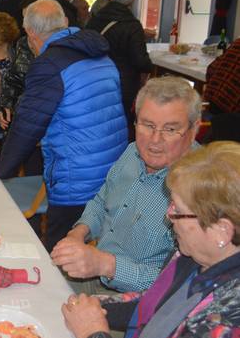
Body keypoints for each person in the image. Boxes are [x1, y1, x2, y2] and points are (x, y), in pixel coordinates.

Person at [0, 0, 128, 251]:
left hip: (76, 178)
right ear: (64, 23)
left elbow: (26, 127)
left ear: (30, 33)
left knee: (61, 254)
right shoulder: (101, 55)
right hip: (112, 173)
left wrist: (0, 169)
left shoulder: (49, 65)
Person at [62, 141, 240, 338]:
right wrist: (95, 307)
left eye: (179, 211)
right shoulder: (188, 256)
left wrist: (93, 332)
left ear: (222, 231)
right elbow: (153, 300)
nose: (168, 215)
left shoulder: (228, 315)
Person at [52, 76, 201, 294]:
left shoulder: (203, 189)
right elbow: (102, 201)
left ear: (194, 129)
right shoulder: (133, 152)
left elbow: (178, 287)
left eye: (170, 129)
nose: (154, 140)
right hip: (92, 272)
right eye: (147, 125)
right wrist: (79, 233)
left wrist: (106, 265)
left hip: (136, 304)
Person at [86, 0, 153, 132]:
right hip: (123, 86)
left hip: (95, 81)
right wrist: (150, 65)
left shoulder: (96, 20)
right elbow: (140, 61)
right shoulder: (132, 26)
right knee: (121, 129)